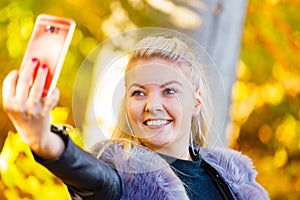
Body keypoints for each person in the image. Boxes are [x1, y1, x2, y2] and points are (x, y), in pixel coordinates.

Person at [2, 34, 269, 200]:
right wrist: (42, 140)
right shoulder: (123, 176)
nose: (152, 105)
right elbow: (92, 177)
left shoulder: (235, 178)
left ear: (196, 100)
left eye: (169, 91)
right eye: (139, 93)